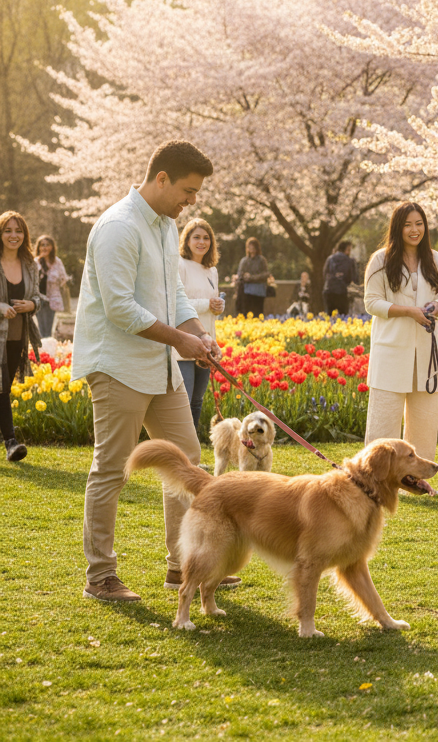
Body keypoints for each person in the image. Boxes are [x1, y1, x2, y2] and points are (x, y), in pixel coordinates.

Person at [73, 140, 233, 603]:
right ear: (160, 178)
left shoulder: (165, 225)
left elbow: (175, 298)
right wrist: (182, 341)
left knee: (188, 464)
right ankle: (100, 576)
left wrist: (197, 335)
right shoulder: (117, 227)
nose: (192, 201)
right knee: (112, 470)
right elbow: (121, 308)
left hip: (161, 367)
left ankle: (183, 565)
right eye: (187, 190)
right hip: (116, 364)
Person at [363, 202, 438, 461]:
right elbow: (371, 302)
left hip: (426, 352)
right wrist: (408, 311)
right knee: (384, 421)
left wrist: (436, 306)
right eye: (408, 225)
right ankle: (374, 476)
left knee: (424, 421)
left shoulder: (435, 259)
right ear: (397, 228)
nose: (414, 230)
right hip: (390, 352)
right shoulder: (381, 259)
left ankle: (419, 477)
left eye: (419, 224)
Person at [1, 211, 44, 462]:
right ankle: (11, 442)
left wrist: (32, 305)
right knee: (2, 388)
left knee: (4, 387)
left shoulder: (30, 264)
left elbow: (38, 297)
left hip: (18, 336)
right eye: (8, 230)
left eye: (18, 231)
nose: (13, 235)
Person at [177, 218, 224, 435]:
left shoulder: (211, 270)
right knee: (184, 401)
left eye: (206, 238)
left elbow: (209, 309)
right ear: (186, 240)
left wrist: (217, 307)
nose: (201, 242)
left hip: (206, 343)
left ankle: (191, 456)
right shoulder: (180, 265)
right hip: (185, 341)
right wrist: (207, 304)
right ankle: (180, 453)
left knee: (197, 401)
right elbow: (178, 302)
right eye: (196, 237)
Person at [34, 235, 70, 340]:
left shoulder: (57, 262)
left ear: (52, 247)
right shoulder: (35, 262)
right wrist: (41, 261)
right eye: (42, 245)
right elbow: (32, 279)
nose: (45, 248)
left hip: (52, 299)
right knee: (41, 328)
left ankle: (49, 352)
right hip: (39, 298)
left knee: (49, 330)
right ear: (39, 247)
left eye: (47, 245)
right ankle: (41, 352)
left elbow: (63, 279)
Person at [233, 237, 271, 316]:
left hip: (258, 291)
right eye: (250, 247)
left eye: (253, 247)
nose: (252, 249)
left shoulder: (261, 260)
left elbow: (266, 274)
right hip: (246, 291)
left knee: (257, 314)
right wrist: (245, 276)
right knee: (245, 313)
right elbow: (240, 273)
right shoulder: (244, 261)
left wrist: (252, 277)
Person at [321, 241, 357, 315]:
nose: (349, 252)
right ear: (345, 250)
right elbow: (353, 278)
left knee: (330, 316)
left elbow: (325, 274)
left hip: (329, 291)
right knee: (343, 316)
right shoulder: (349, 261)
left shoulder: (330, 259)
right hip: (342, 292)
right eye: (349, 250)